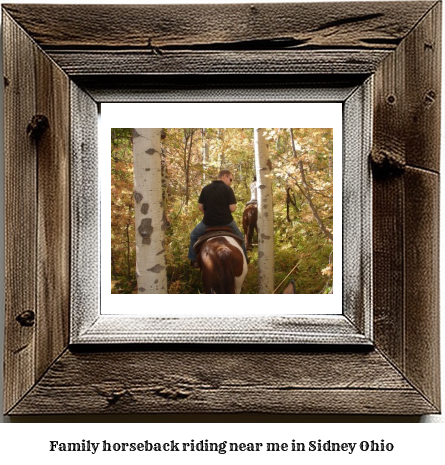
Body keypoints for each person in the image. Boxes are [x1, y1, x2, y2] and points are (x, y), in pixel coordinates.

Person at [188, 169, 248, 267]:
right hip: (227, 222)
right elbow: (232, 209)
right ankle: (245, 259)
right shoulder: (228, 189)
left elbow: (200, 207)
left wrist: (208, 213)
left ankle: (193, 259)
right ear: (224, 176)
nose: (230, 182)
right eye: (231, 179)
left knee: (194, 236)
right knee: (240, 237)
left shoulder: (206, 188)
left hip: (208, 222)